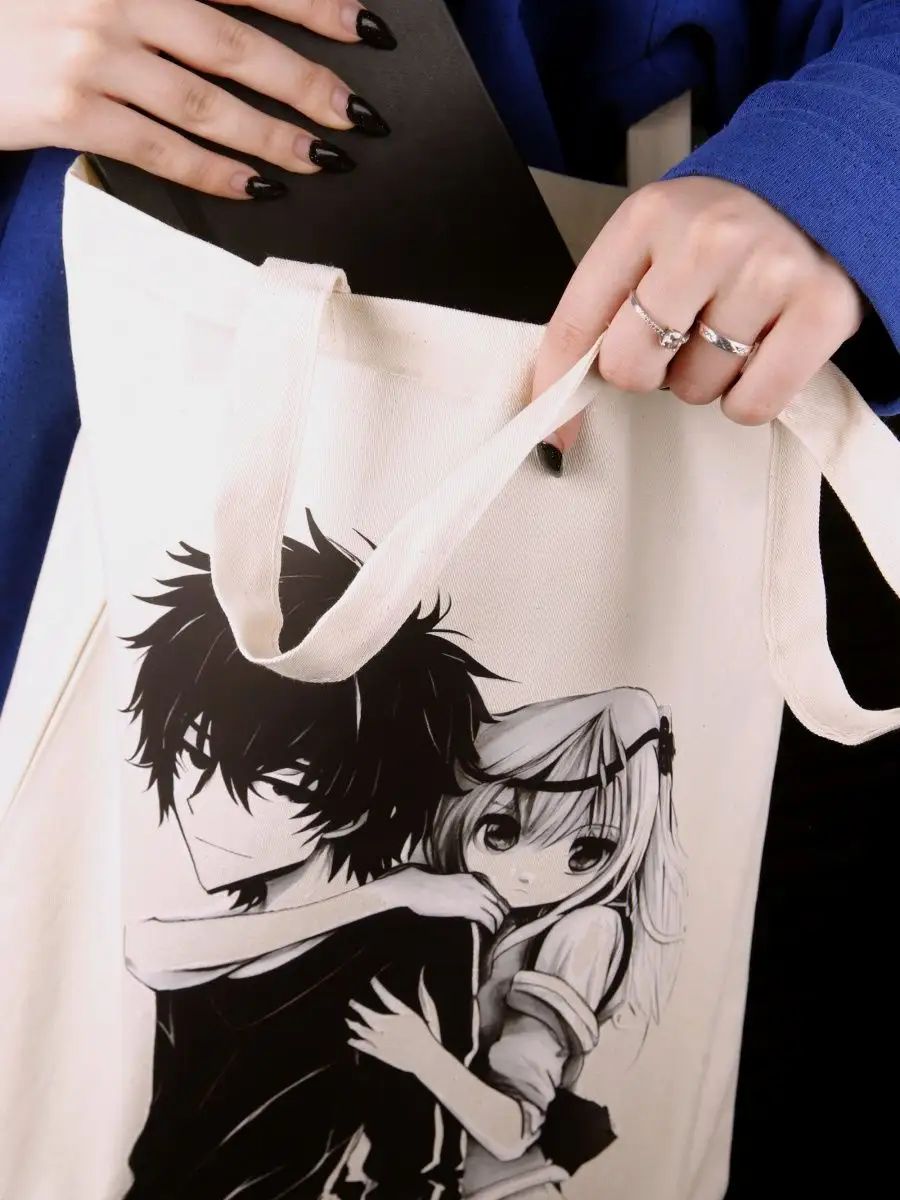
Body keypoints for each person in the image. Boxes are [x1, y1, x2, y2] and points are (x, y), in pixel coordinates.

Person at [120, 513, 507, 1199]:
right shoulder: (230, 920)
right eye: (195, 757)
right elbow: (148, 953)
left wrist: (389, 903)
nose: (203, 807)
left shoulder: (410, 941)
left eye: (271, 784)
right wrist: (381, 893)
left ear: (356, 804)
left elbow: (420, 1165)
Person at [344, 688, 686, 1199]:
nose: (528, 874)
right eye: (501, 831)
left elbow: (513, 1129)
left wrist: (419, 1053)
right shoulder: (462, 902)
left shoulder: (585, 931)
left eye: (585, 851)